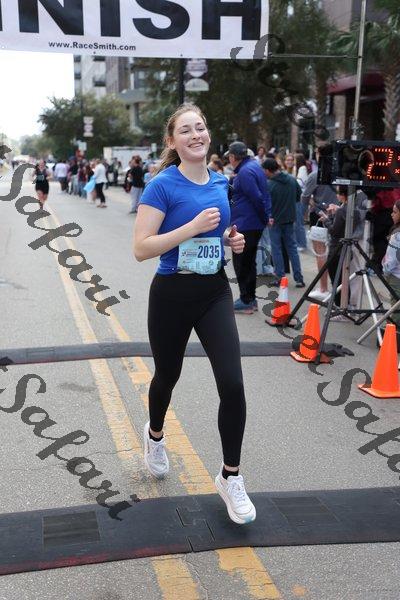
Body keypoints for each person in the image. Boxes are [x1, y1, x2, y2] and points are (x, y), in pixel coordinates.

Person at [133, 103, 256, 525]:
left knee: (233, 383)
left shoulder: (221, 182)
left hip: (214, 291)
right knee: (167, 375)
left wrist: (231, 240)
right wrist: (191, 228)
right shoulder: (161, 186)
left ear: (208, 134)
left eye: (200, 127)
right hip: (171, 293)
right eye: (185, 130)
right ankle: (154, 435)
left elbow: (218, 232)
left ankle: (231, 476)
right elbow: (141, 248)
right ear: (173, 141)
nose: (195, 135)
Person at [226, 141, 271, 313]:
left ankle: (247, 299)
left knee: (242, 263)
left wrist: (264, 217)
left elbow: (257, 197)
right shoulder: (253, 167)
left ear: (232, 157)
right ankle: (249, 299)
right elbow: (261, 195)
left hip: (246, 223)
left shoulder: (245, 172)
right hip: (251, 223)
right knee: (248, 262)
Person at [301, 144, 339, 300]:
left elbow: (305, 197)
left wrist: (308, 207)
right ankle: (338, 291)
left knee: (320, 253)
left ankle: (323, 288)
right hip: (339, 215)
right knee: (337, 253)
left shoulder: (315, 175)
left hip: (319, 216)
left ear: (320, 155)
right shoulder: (340, 174)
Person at [319, 187, 361, 317]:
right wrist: (333, 215)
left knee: (336, 280)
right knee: (344, 280)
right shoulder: (355, 211)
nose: (336, 195)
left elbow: (334, 231)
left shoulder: (342, 211)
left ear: (343, 195)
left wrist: (326, 219)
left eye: (338, 193)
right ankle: (345, 305)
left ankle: (339, 308)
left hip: (336, 249)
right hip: (347, 249)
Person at [262, 158, 305, 287]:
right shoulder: (291, 180)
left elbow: (265, 204)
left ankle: (280, 277)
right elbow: (298, 196)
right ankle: (299, 278)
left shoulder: (269, 185)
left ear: (268, 170)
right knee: (292, 249)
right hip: (290, 219)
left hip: (275, 220)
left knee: (276, 249)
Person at [382, 199, 400, 328]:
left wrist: (385, 270)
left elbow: (391, 260)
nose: (391, 214)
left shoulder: (397, 235)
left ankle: (391, 332)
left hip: (395, 275)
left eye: (395, 212)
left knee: (396, 307)